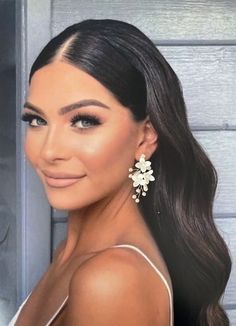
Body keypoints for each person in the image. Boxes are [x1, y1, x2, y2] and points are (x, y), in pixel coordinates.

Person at [9, 19, 231, 325]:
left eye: (84, 121)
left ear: (145, 137)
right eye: (36, 120)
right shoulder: (74, 253)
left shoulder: (112, 279)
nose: (48, 151)